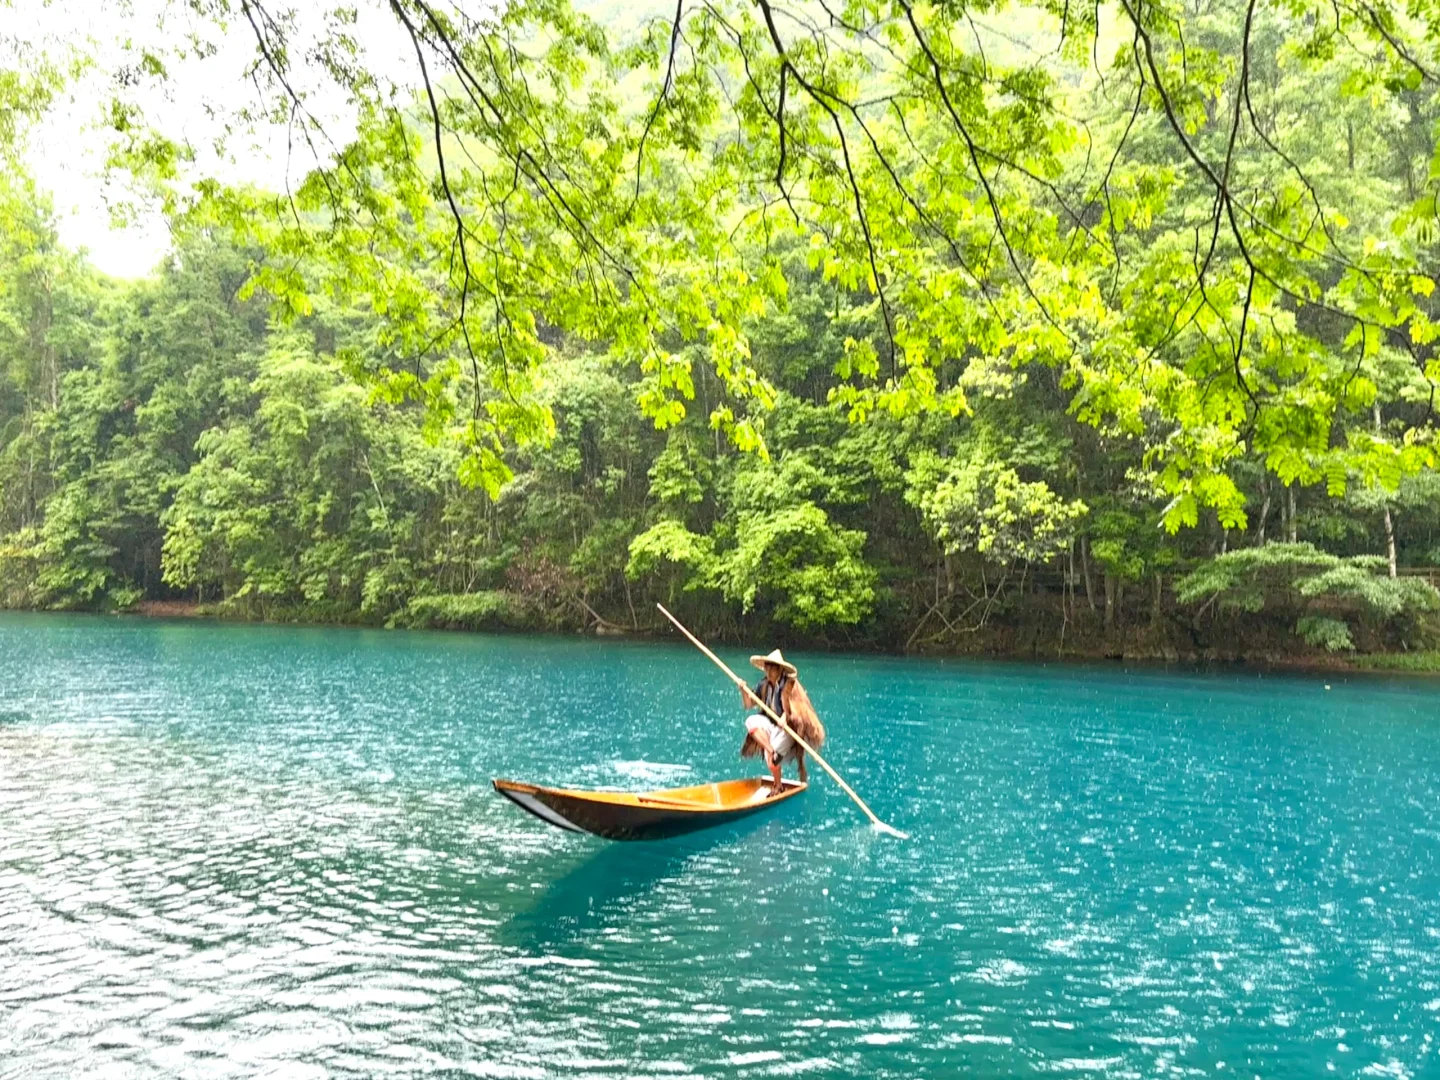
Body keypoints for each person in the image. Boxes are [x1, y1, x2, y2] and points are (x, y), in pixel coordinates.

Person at [740, 649, 825, 795]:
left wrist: (785, 718)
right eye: (767, 667)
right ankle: (771, 754)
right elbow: (749, 705)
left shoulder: (789, 685)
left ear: (779, 669)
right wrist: (743, 690)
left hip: (787, 728)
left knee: (772, 761)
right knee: (750, 722)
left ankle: (778, 785)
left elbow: (796, 708)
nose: (769, 670)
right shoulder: (764, 685)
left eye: (772, 667)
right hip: (771, 724)